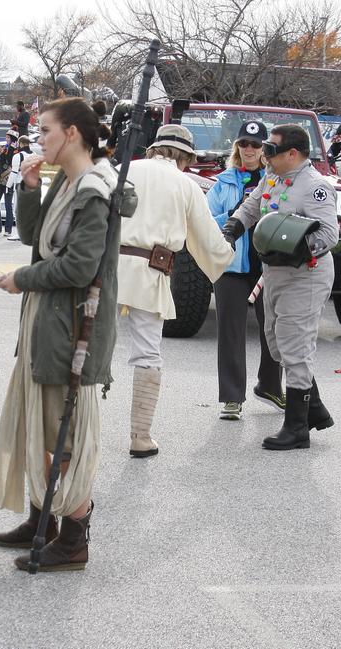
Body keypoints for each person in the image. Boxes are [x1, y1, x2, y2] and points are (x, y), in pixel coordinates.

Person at [0, 97, 116, 572]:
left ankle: (73, 539)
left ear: (73, 134)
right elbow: (34, 238)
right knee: (43, 428)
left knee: (64, 437)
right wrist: (27, 186)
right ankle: (41, 518)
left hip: (70, 328)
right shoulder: (66, 180)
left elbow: (81, 266)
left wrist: (23, 279)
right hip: (50, 322)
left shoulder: (94, 189)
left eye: (46, 130)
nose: (38, 137)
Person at [117, 124, 234, 457]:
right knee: (147, 354)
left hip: (106, 267)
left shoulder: (125, 170)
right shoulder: (186, 184)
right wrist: (229, 252)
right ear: (185, 156)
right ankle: (140, 437)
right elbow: (209, 242)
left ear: (156, 147)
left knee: (87, 345)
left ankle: (74, 431)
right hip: (151, 272)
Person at [222, 124, 338, 450]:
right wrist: (233, 227)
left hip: (305, 275)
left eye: (271, 149)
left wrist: (296, 250)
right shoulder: (271, 177)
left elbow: (329, 235)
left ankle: (297, 428)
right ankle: (314, 407)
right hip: (273, 272)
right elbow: (252, 205)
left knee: (294, 346)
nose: (264, 154)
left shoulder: (315, 187)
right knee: (275, 343)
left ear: (292, 153)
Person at [206, 121, 286, 421]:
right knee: (230, 332)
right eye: (244, 143)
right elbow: (205, 219)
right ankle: (231, 398)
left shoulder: (277, 180)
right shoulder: (224, 182)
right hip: (231, 267)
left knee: (274, 331)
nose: (249, 149)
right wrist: (232, 214)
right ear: (236, 147)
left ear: (265, 149)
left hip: (268, 266)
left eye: (255, 144)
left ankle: (270, 386)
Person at [3, 135, 33, 241]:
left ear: (20, 144)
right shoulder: (35, 155)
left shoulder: (18, 156)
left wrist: (8, 185)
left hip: (21, 183)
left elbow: (14, 172)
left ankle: (20, 234)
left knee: (17, 209)